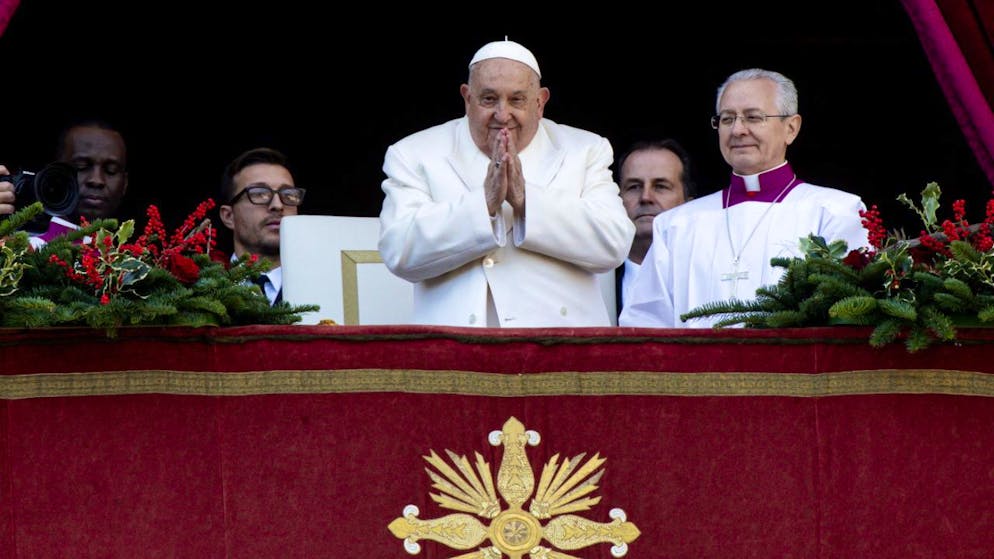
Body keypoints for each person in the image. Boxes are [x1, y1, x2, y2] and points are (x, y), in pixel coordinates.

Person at [378, 39, 634, 327]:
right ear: (467, 98)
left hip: (561, 345)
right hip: (457, 346)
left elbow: (614, 244)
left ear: (540, 102)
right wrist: (484, 204)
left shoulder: (584, 149)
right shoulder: (415, 153)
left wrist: (526, 201)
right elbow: (399, 251)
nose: (502, 114)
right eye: (489, 99)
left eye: (517, 99)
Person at [620, 68, 868, 328]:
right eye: (727, 119)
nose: (738, 130)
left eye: (753, 117)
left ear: (791, 128)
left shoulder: (835, 213)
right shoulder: (676, 225)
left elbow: (850, 320)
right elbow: (644, 326)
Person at [615, 139, 696, 314]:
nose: (645, 197)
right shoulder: (591, 281)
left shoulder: (706, 277)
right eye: (634, 187)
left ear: (689, 205)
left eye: (661, 186)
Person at [218, 147, 305, 306]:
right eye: (259, 193)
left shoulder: (326, 286)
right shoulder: (200, 291)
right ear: (228, 216)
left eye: (288, 195)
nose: (278, 205)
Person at [57, 119, 130, 221]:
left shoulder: (148, 236)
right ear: (54, 174)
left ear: (125, 183)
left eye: (111, 170)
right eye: (81, 166)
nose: (96, 180)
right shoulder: (28, 236)